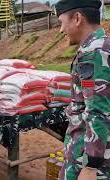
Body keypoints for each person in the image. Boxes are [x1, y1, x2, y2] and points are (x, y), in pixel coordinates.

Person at [55, 0, 110, 179]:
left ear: (77, 18)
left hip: (86, 159)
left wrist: (90, 166)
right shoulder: (104, 45)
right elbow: (92, 95)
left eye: (61, 22)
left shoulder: (92, 53)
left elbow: (98, 110)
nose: (61, 30)